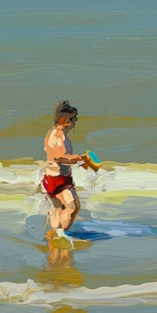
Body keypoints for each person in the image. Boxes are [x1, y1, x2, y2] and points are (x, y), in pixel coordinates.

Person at [42, 101, 86, 243]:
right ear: (63, 119)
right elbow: (60, 157)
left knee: (61, 208)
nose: (73, 122)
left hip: (55, 177)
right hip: (57, 178)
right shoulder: (57, 134)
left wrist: (79, 162)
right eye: (72, 119)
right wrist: (80, 159)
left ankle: (54, 233)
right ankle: (60, 235)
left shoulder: (55, 133)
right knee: (71, 207)